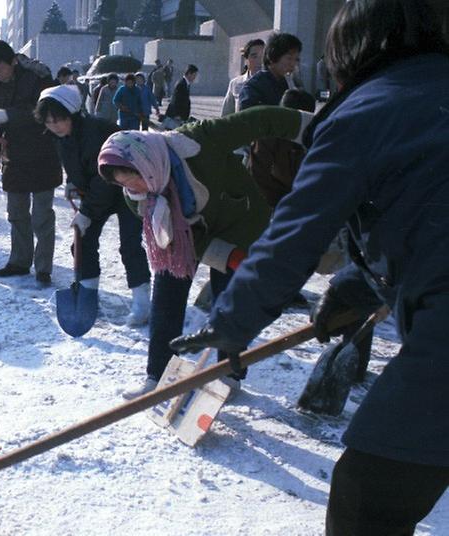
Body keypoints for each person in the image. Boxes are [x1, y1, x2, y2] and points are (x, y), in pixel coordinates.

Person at [170, 1, 449, 533]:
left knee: (367, 493)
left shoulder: (367, 112)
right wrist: (354, 287)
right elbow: (422, 216)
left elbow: (294, 235)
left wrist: (231, 325)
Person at [96, 105, 313, 400]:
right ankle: (158, 375)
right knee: (166, 300)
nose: (133, 187)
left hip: (239, 220)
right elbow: (184, 241)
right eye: (122, 183)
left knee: (231, 303)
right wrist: (225, 256)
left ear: (147, 162)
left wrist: (320, 127)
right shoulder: (139, 199)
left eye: (133, 177)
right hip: (188, 239)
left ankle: (230, 374)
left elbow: (261, 120)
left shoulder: (199, 142)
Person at [36, 84, 151, 325]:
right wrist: (73, 182)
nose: (54, 126)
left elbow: (105, 180)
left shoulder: (95, 132)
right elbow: (77, 165)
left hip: (128, 189)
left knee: (130, 245)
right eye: (48, 121)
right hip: (99, 193)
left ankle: (142, 305)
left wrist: (87, 213)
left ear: (72, 113)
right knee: (82, 242)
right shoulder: (62, 137)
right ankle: (88, 296)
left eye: (58, 119)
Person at [0, 39, 62, 286]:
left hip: (42, 153)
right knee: (16, 213)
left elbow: (48, 112)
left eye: (1, 69)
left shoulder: (38, 77)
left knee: (41, 216)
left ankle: (43, 267)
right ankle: (19, 261)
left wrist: (10, 115)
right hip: (12, 156)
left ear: (13, 61)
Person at [239, 33, 302, 110]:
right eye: (289, 58)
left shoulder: (288, 83)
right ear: (273, 57)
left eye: (296, 59)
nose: (293, 64)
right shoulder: (254, 87)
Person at [221, 39, 265, 116]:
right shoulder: (235, 83)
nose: (259, 61)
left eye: (263, 57)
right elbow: (226, 116)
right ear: (246, 59)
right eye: (254, 56)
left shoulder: (276, 81)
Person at [164, 64, 198, 128]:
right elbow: (175, 100)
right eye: (194, 75)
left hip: (180, 116)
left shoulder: (186, 84)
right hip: (176, 117)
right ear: (189, 74)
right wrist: (177, 115)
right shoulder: (181, 84)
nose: (195, 77)